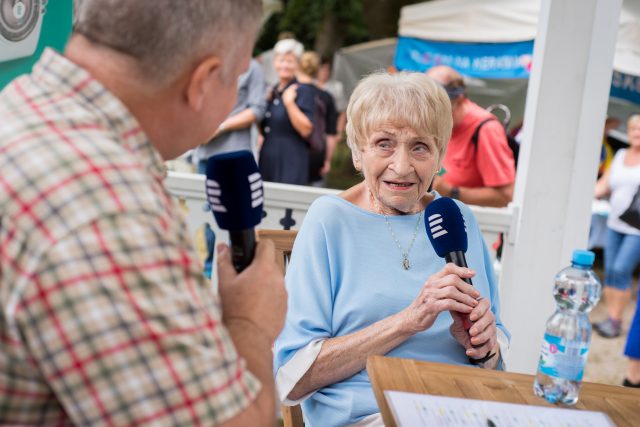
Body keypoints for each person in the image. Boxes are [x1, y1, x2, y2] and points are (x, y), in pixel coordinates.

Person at [0, 1, 287, 426]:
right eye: (238, 73)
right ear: (204, 81)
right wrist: (250, 321)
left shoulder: (22, 107)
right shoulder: (108, 211)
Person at [274, 72, 510, 427]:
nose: (402, 166)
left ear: (439, 155)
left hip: (462, 412)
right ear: (358, 152)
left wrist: (484, 348)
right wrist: (409, 320)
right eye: (384, 143)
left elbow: (496, 359)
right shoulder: (329, 221)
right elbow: (292, 378)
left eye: (419, 147)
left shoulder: (456, 217)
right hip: (371, 416)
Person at [425, 65, 515, 208]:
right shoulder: (437, 125)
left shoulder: (486, 129)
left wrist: (451, 192)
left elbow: (506, 196)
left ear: (459, 99)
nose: (429, 111)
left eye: (436, 104)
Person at [593, 114, 640, 387]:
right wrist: (589, 193)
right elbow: (605, 184)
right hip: (613, 222)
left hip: (637, 228)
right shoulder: (621, 154)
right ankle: (614, 318)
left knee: (622, 269)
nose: (636, 133)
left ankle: (615, 320)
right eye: (633, 128)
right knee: (610, 270)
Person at [193, 58, 267, 172]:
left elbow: (257, 110)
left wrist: (220, 127)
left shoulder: (252, 67)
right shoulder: (206, 64)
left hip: (233, 153)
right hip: (204, 154)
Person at [259, 39, 316, 185]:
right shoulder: (273, 91)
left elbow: (306, 130)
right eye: (281, 60)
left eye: (290, 61)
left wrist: (290, 103)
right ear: (274, 62)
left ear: (297, 64)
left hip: (291, 161)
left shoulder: (302, 90)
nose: (284, 65)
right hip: (268, 158)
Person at [296, 51, 338, 186]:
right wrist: (328, 160)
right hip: (317, 153)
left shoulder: (291, 92)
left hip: (293, 153)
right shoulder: (326, 97)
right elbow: (331, 134)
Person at [317, 56, 347, 177]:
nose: (324, 72)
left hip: (328, 129)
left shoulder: (336, 87)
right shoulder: (310, 83)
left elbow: (342, 111)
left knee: (325, 162)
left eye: (327, 69)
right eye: (322, 69)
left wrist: (339, 131)